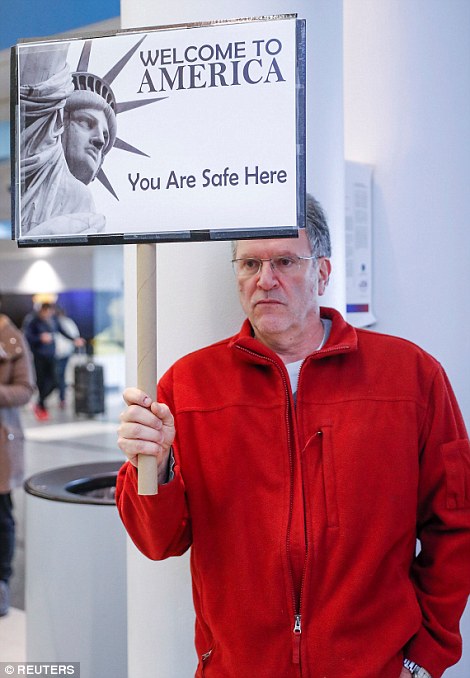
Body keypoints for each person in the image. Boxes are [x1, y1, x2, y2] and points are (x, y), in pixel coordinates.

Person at [116, 194, 470, 678]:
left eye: (285, 260)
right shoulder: (187, 385)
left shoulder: (411, 376)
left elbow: (456, 524)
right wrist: (153, 468)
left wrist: (424, 658)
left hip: (375, 668)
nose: (265, 279)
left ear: (323, 272)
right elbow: (158, 541)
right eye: (249, 263)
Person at [19, 41, 116, 237]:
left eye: (105, 137)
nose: (100, 141)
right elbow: (43, 79)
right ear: (59, 125)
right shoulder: (39, 157)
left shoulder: (90, 214)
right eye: (86, 123)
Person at [0, 307, 34, 616]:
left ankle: (2, 582)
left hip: (1, 440)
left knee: (1, 517)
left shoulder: (12, 339)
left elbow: (26, 390)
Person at [24, 302, 81, 420]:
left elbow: (62, 331)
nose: (48, 314)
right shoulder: (33, 321)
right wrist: (40, 338)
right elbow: (27, 337)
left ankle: (40, 401)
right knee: (41, 380)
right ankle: (41, 405)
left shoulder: (54, 320)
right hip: (39, 356)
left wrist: (74, 340)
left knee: (55, 380)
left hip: (52, 355)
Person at [54, 306, 84, 409]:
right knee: (55, 376)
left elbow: (73, 336)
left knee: (60, 375)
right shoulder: (52, 322)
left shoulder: (67, 323)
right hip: (52, 355)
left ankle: (62, 398)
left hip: (64, 354)